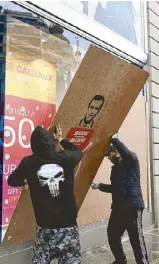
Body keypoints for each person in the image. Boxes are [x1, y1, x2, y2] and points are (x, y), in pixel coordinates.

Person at [7, 124, 83, 264]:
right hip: (68, 227)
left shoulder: (29, 163)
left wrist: (24, 182)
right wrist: (60, 140)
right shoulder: (67, 158)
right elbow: (79, 152)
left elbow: (12, 180)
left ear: (33, 146)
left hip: (45, 229)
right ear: (51, 143)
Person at [91, 135, 149, 264]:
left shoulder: (131, 160)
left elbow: (126, 153)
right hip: (118, 208)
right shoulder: (115, 169)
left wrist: (114, 139)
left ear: (116, 151)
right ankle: (120, 261)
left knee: (136, 240)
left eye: (110, 155)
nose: (109, 159)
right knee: (112, 235)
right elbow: (115, 188)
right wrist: (99, 186)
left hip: (133, 206)